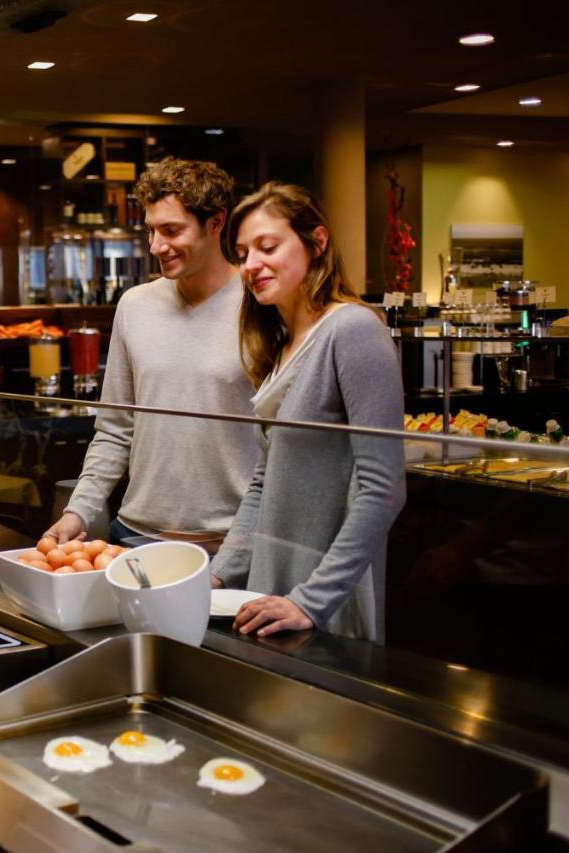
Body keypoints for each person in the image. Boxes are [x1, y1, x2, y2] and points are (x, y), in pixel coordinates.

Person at [210, 182, 406, 641]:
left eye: (268, 246)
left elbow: (385, 488)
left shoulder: (353, 329)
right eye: (242, 254)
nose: (251, 265)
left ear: (316, 242)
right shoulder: (281, 346)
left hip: (326, 597)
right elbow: (264, 482)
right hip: (273, 587)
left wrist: (311, 600)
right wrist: (217, 577)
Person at [46, 158, 258, 552]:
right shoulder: (135, 305)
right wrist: (79, 512)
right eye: (151, 230)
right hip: (132, 537)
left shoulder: (261, 307)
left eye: (172, 230)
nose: (156, 245)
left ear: (216, 223)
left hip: (228, 546)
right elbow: (114, 428)